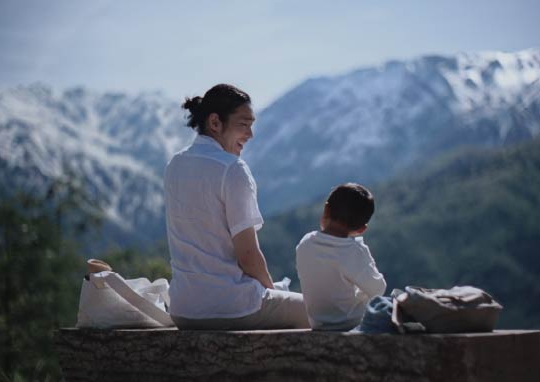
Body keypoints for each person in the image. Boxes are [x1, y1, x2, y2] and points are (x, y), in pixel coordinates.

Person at [164, 83, 309, 330]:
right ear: (215, 123)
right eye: (243, 124)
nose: (250, 135)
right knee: (325, 313)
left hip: (182, 309)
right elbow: (248, 256)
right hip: (231, 307)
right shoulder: (232, 169)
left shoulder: (174, 165)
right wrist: (271, 291)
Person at [296, 183, 387, 331]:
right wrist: (365, 253)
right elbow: (378, 289)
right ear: (361, 229)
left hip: (317, 324)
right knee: (390, 304)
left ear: (326, 209)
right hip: (352, 323)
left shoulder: (305, 243)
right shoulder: (354, 251)